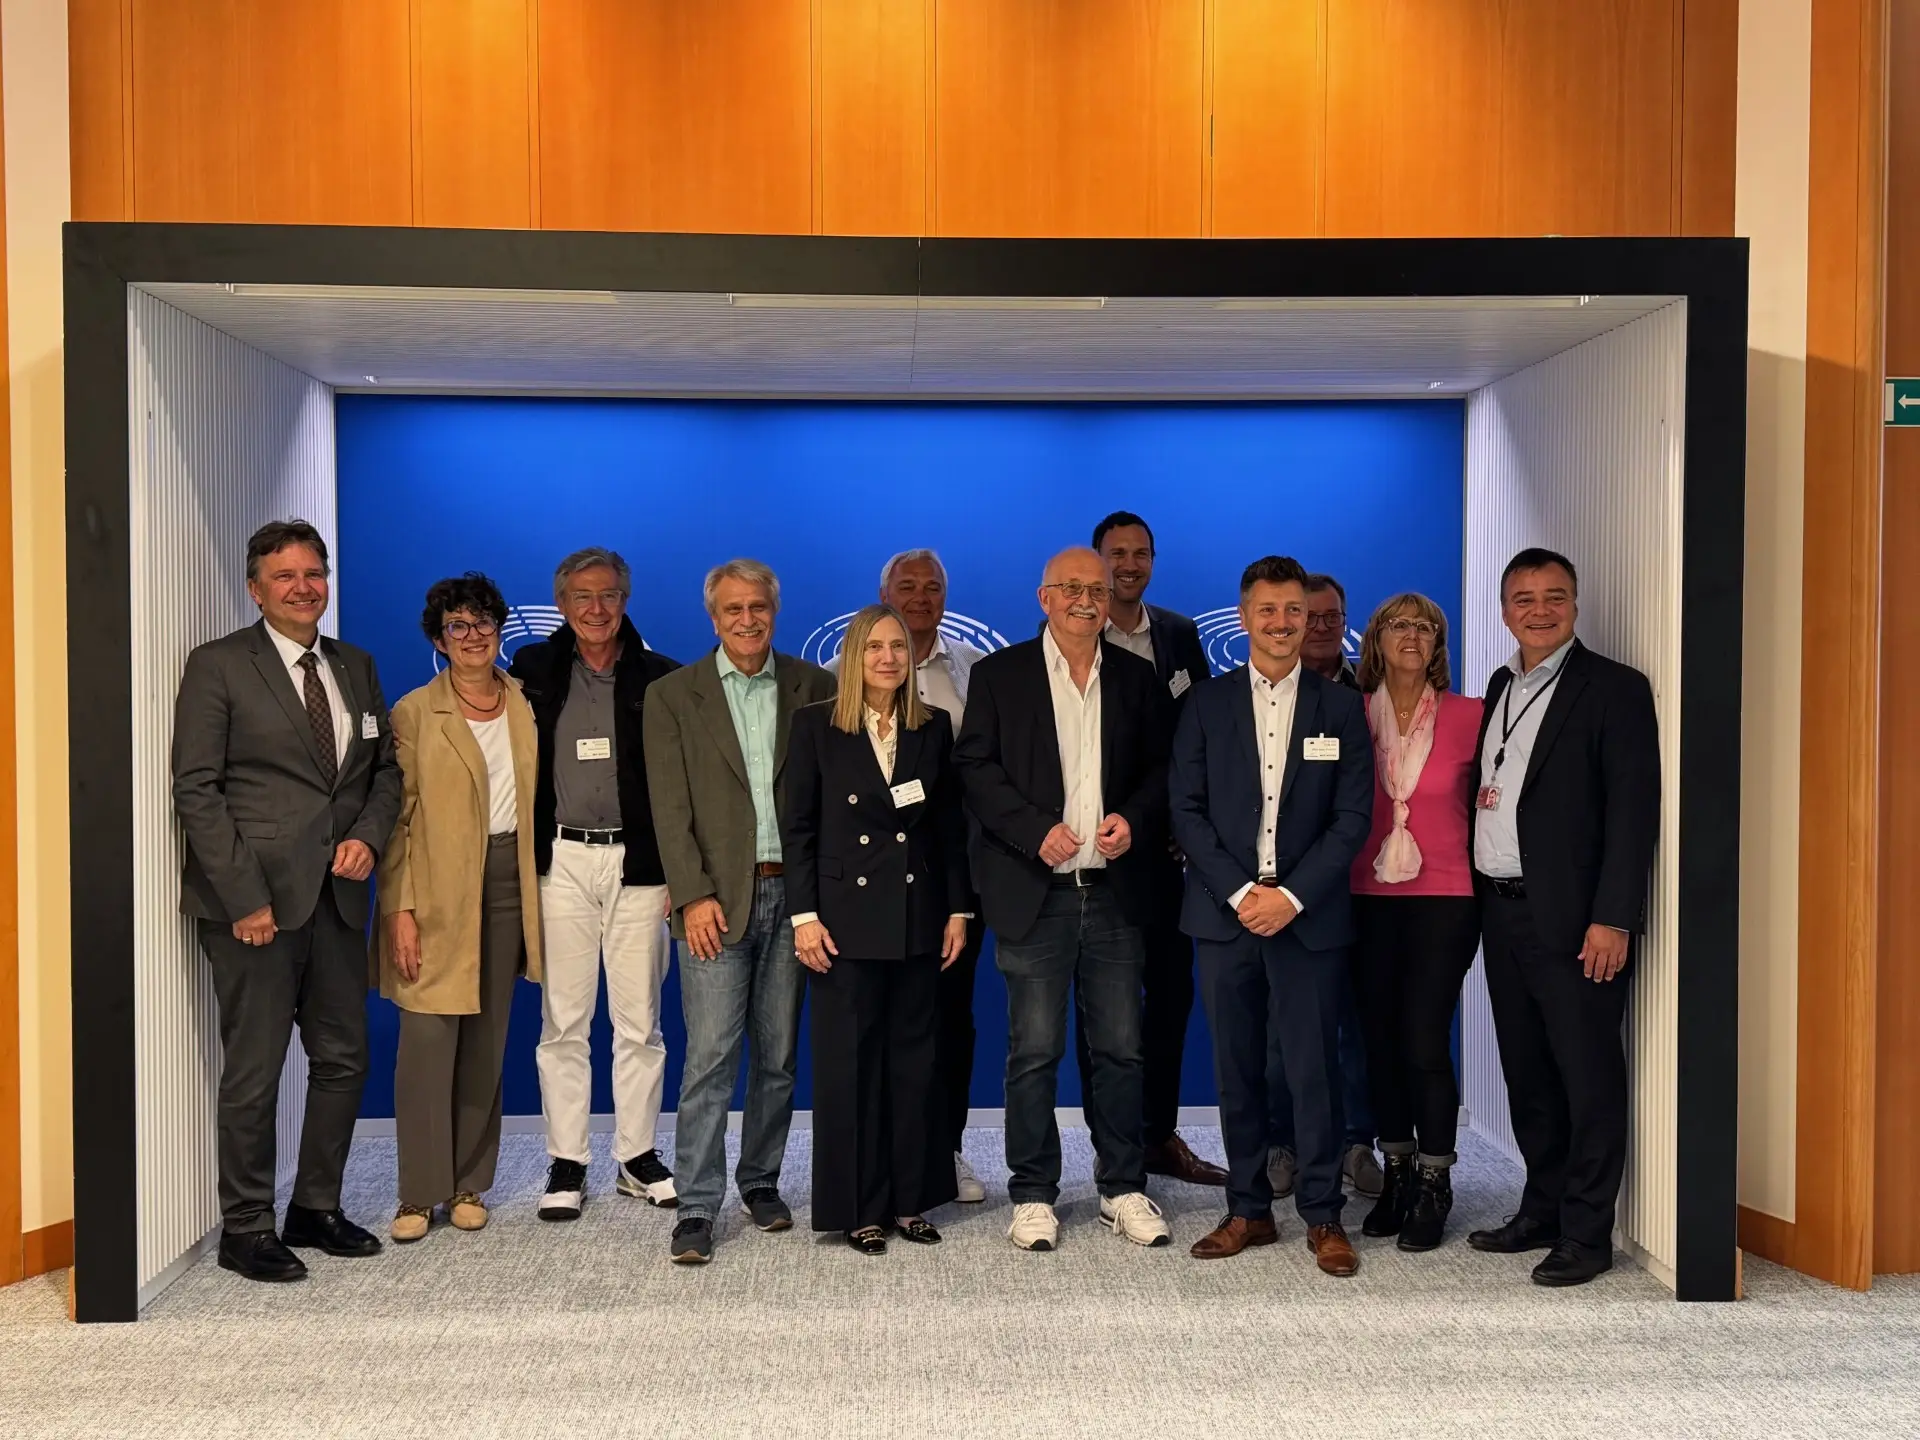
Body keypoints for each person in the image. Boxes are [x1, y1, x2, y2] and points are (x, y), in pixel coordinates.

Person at [170, 519, 402, 1283]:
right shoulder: (218, 665)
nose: (303, 588)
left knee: (343, 1059)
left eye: (313, 573)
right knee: (256, 1070)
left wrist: (368, 836)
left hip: (338, 899)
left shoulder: (355, 664)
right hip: (255, 910)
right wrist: (243, 896)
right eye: (285, 576)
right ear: (255, 589)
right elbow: (197, 789)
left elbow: (384, 773)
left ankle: (315, 1207)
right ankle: (246, 1227)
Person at [953, 547, 1174, 1252]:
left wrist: (1134, 819)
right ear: (1044, 597)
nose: (1086, 600)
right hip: (1034, 895)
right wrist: (1032, 830)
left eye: (1097, 589)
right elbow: (975, 769)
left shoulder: (1137, 678)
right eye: (1071, 588)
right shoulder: (999, 675)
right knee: (1034, 1052)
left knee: (1121, 1051)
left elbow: (1163, 770)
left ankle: (1122, 1187)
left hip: (1114, 896)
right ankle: (1033, 1193)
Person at [1170, 556, 1372, 1275]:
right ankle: (1248, 1209)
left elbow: (1352, 819)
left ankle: (1323, 1214)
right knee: (1238, 1071)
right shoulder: (1205, 703)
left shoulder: (1340, 708)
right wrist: (1241, 893)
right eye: (1268, 610)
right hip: (1225, 918)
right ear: (1244, 615)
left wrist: (1289, 896)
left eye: (1295, 610)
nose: (1283, 623)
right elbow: (1186, 811)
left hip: (1307, 918)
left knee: (1314, 1070)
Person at [1466, 548, 1659, 1287]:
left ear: (1576, 604)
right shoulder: (1500, 684)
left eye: (1555, 596)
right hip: (1502, 912)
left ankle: (1586, 1233)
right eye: (1524, 599)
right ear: (1505, 610)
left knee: (1588, 1077)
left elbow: (1632, 812)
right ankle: (1541, 1209)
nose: (1540, 610)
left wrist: (1614, 918)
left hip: (1578, 923)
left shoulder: (1614, 688)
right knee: (1528, 1074)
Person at [645, 559, 836, 1264]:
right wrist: (692, 894)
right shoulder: (672, 696)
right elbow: (669, 808)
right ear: (713, 616)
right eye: (733, 609)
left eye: (758, 607)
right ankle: (697, 1204)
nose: (747, 620)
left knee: (778, 1056)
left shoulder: (817, 688)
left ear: (775, 612)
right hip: (714, 903)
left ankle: (760, 1182)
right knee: (710, 1060)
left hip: (797, 899)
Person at [782, 605, 970, 1253]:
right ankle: (859, 1207)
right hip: (842, 923)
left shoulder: (932, 726)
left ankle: (911, 1200)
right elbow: (798, 829)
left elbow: (948, 829)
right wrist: (804, 916)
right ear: (853, 657)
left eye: (897, 647)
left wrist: (958, 909)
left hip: (919, 916)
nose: (888, 658)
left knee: (915, 1063)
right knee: (851, 1068)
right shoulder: (815, 726)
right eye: (874, 648)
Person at [509, 547, 682, 1221]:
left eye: (608, 595)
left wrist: (678, 871)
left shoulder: (660, 677)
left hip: (640, 865)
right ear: (561, 605)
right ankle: (568, 1160)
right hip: (562, 862)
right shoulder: (532, 670)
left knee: (639, 1021)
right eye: (582, 596)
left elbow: (679, 782)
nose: (596, 608)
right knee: (563, 1021)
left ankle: (637, 1157)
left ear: (625, 600)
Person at [378, 573, 544, 1242]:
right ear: (439, 639)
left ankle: (470, 1182)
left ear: (499, 629)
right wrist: (400, 909)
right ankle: (418, 1194)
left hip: (508, 884)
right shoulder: (415, 712)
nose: (472, 635)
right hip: (435, 890)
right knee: (427, 1043)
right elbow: (398, 821)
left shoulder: (527, 702)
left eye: (482, 622)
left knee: (487, 1039)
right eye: (457, 626)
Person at [1087, 511, 1228, 1189]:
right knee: (1101, 1008)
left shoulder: (1179, 633)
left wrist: (1187, 823)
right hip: (1099, 848)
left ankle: (1159, 1135)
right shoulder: (1072, 633)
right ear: (1097, 562)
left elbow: (1199, 734)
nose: (1129, 565)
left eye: (1140, 553)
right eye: (1117, 554)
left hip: (1170, 852)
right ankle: (1110, 1141)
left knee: (1170, 996)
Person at [1346, 593, 1484, 1252]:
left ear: (1438, 644)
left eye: (1425, 627)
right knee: (1379, 1040)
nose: (1412, 635)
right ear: (1376, 639)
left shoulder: (1471, 716)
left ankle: (1435, 1181)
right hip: (1364, 896)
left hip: (1446, 897)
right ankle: (1396, 1172)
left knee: (1424, 1039)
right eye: (1398, 625)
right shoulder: (1348, 716)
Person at [1268, 570, 1382, 1204]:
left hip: (1362, 886)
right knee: (1281, 1030)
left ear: (1345, 623)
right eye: (1306, 616)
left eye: (1330, 617)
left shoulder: (1371, 692)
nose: (1316, 627)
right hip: (1284, 895)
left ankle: (1355, 1142)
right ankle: (1283, 1142)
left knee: (1355, 1024)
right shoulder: (1261, 695)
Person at [881, 548, 989, 1204]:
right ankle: (883, 1155)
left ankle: (945, 1150)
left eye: (933, 587)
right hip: (869, 882)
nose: (920, 598)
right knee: (884, 1019)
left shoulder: (977, 671)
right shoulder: (840, 675)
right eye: (907, 586)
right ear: (884, 595)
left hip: (956, 874)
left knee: (951, 1018)